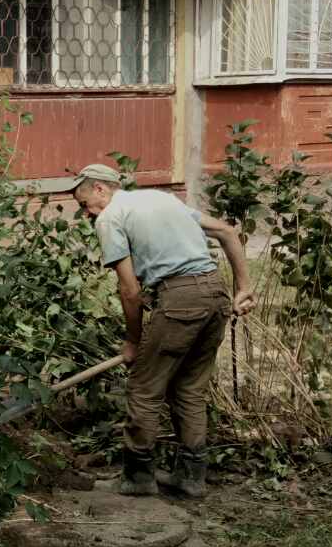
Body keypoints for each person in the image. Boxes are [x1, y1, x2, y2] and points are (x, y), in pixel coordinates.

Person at [70, 164, 255, 499]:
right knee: (189, 389)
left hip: (180, 299)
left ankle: (139, 477)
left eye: (85, 205)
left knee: (144, 389)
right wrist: (244, 287)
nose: (86, 214)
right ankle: (191, 477)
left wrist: (133, 341)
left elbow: (130, 291)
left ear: (100, 188)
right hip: (216, 295)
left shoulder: (110, 217)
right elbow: (227, 231)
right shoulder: (161, 199)